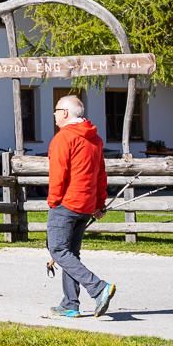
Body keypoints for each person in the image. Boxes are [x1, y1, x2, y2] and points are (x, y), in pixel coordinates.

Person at [46, 94, 117, 318]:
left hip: (66, 203)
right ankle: (70, 304)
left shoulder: (63, 138)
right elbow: (100, 175)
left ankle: (98, 288)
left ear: (65, 113)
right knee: (71, 254)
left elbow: (58, 174)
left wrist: (53, 201)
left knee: (58, 250)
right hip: (85, 205)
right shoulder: (94, 139)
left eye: (56, 110)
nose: (55, 115)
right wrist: (98, 203)